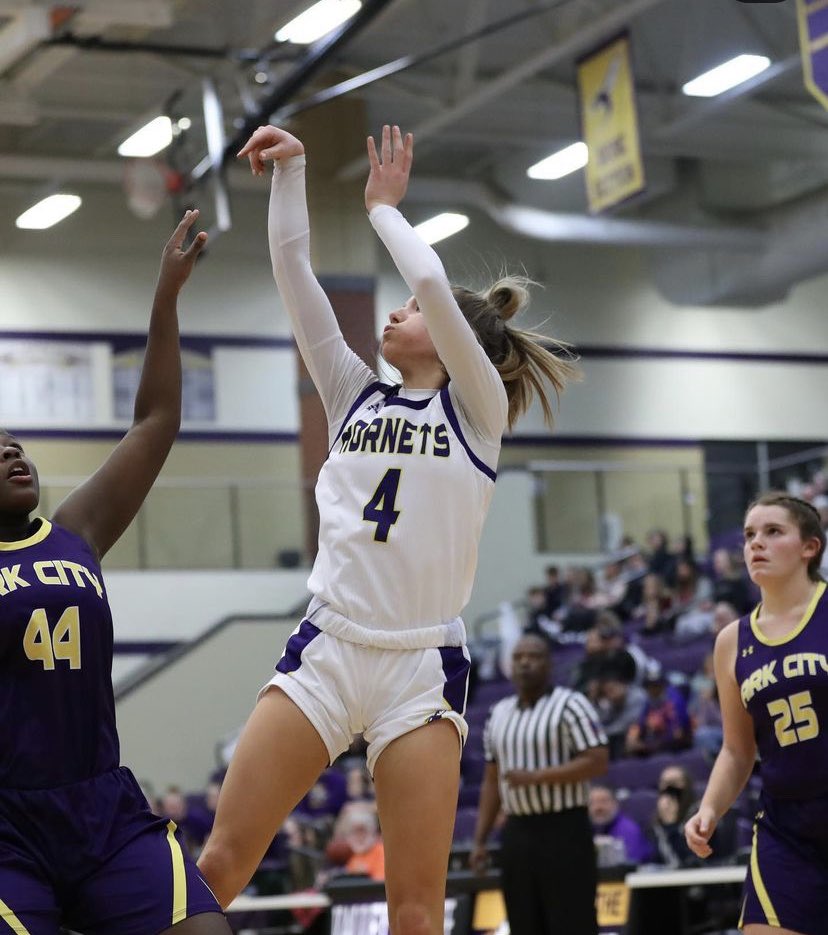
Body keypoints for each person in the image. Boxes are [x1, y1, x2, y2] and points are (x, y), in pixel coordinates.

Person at [196, 123, 579, 935]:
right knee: (219, 863)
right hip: (328, 646)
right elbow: (294, 270)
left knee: (413, 909)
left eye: (406, 311)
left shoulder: (474, 413)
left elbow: (435, 283)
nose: (397, 313)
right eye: (397, 307)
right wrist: (292, 172)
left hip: (419, 667)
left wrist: (383, 212)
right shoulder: (351, 393)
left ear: (449, 340)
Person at [0, 213, 231, 935]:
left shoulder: (75, 531)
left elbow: (157, 417)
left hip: (102, 809)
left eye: (15, 444)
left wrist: (165, 298)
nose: (13, 453)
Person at [685, 492, 828, 935]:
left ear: (810, 546)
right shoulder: (731, 640)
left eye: (772, 532)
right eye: (749, 535)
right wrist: (709, 808)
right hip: (787, 830)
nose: (755, 544)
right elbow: (736, 749)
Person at [470, 632, 608, 935]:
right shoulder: (498, 714)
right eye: (519, 658)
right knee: (523, 923)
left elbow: (598, 760)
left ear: (549, 664)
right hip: (517, 833)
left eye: (533, 657)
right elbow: (492, 780)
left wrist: (536, 777)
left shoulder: (572, 704)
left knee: (573, 922)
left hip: (565, 829)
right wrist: (480, 839)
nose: (525, 663)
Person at [589, 784, 653, 865]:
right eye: (592, 803)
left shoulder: (629, 830)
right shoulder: (582, 830)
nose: (598, 807)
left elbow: (633, 862)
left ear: (615, 803)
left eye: (603, 801)